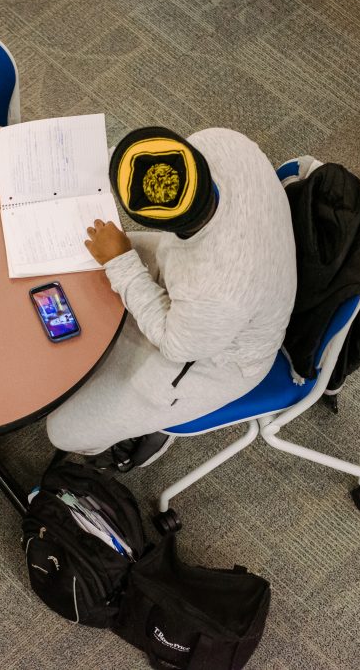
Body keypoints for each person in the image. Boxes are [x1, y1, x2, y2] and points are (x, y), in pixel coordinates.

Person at [46, 126, 297, 470]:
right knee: (77, 261)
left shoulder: (219, 292)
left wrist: (122, 264)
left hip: (212, 355)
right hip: (197, 278)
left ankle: (146, 430)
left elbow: (175, 344)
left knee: (64, 432)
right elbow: (138, 161)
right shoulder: (219, 143)